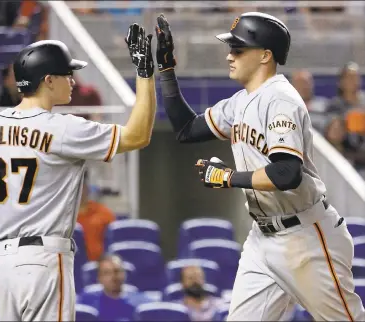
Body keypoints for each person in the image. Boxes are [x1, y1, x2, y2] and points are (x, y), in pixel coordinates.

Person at [154, 12, 365, 321]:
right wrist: (167, 69)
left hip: (306, 237)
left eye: (238, 49)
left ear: (265, 55)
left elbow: (287, 173)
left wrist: (228, 178)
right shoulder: (241, 101)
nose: (229, 55)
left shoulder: (280, 100)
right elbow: (186, 129)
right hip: (262, 238)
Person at [0, 22, 156, 321]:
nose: (74, 81)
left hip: (3, 264)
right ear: (48, 80)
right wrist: (145, 74)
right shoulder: (63, 127)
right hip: (44, 260)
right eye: (68, 74)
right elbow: (139, 135)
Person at [79, 254, 152, 321]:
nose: (113, 277)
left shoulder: (140, 302)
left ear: (124, 274)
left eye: (116, 271)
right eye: (107, 273)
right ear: (99, 278)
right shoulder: (86, 302)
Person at [77, 180, 116, 261]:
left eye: (83, 187)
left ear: (87, 189)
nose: (80, 191)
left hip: (99, 264)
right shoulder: (63, 215)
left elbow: (114, 237)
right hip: (70, 264)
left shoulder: (103, 212)